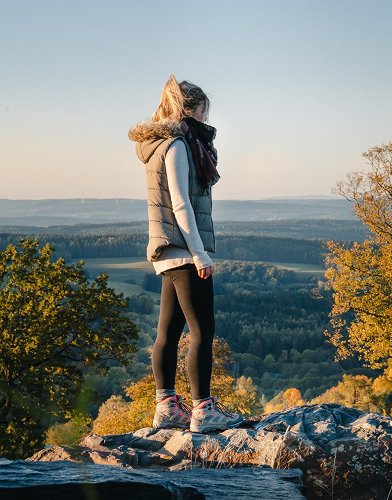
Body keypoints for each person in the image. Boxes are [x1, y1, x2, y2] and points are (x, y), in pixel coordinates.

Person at [128, 75, 241, 433]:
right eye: (204, 112)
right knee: (202, 331)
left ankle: (166, 408)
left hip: (168, 252)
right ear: (189, 110)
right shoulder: (177, 144)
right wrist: (199, 253)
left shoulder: (159, 144)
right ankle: (203, 411)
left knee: (169, 331)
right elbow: (181, 203)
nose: (206, 120)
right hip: (184, 251)